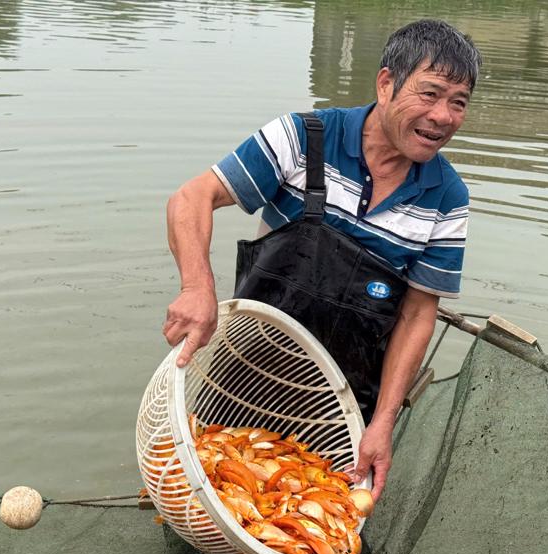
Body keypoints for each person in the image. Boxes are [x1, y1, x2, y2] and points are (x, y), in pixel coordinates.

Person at [163, 19, 481, 503]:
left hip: (340, 408)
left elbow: (418, 314)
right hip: (241, 378)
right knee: (204, 517)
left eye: (458, 102)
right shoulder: (303, 138)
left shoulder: (447, 198)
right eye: (430, 93)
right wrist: (196, 288)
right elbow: (192, 198)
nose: (443, 116)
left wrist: (382, 424)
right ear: (385, 83)